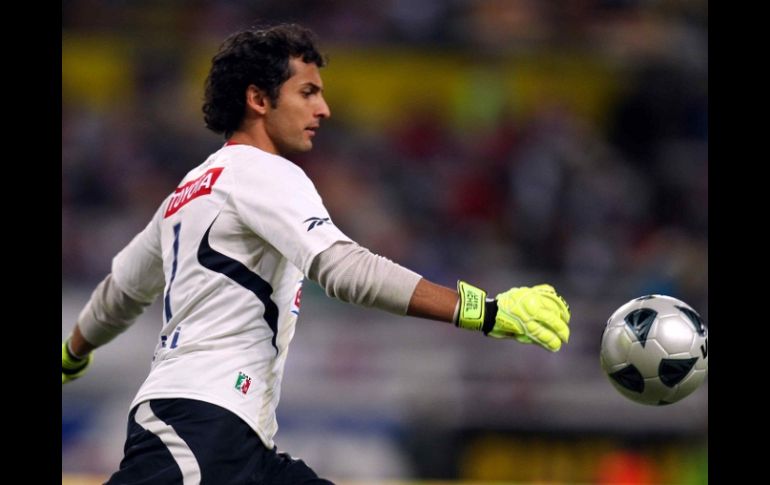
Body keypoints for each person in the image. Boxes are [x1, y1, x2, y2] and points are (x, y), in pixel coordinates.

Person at [62, 23, 571, 484]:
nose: (323, 109)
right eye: (307, 92)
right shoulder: (263, 172)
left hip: (231, 437)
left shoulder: (189, 190)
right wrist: (485, 311)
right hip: (196, 428)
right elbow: (343, 269)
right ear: (259, 99)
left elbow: (119, 293)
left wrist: (71, 353)